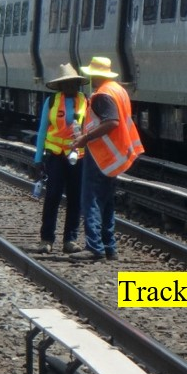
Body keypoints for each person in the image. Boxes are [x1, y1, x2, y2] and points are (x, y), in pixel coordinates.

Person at [70, 57, 144, 261]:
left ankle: (94, 247)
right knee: (106, 200)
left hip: (101, 154)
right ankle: (109, 247)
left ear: (96, 74)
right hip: (114, 153)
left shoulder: (102, 94)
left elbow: (112, 121)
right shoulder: (118, 90)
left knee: (91, 199)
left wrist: (85, 138)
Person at [32, 63, 89, 254]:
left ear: (78, 84)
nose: (70, 87)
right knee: (52, 196)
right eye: (66, 83)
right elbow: (42, 131)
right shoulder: (52, 101)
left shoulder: (86, 101)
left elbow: (89, 129)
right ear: (60, 86)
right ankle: (46, 239)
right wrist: (38, 159)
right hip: (55, 155)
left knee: (75, 197)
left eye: (73, 83)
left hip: (78, 156)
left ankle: (70, 240)